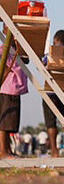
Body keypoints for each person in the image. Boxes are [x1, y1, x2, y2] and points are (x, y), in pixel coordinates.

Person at [42, 30, 64, 157]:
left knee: (51, 122)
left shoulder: (51, 53)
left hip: (51, 91)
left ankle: (54, 152)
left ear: (56, 40)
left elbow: (43, 63)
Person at [0, 26, 28, 158]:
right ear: (5, 32)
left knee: (11, 122)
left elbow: (26, 59)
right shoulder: (4, 50)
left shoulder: (17, 49)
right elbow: (4, 68)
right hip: (8, 88)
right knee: (4, 122)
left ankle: (8, 149)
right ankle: (3, 150)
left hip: (15, 89)